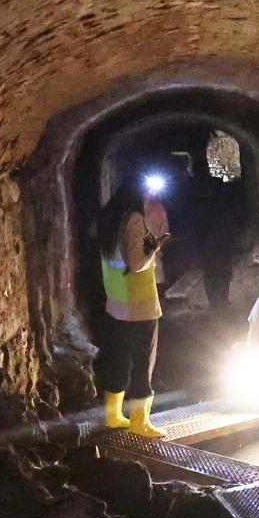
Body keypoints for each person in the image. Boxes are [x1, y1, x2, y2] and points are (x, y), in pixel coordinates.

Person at [96, 182, 169, 437]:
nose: (148, 197)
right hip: (140, 305)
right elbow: (136, 262)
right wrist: (154, 247)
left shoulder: (108, 217)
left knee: (118, 359)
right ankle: (140, 422)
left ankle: (113, 415)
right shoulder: (134, 218)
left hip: (115, 302)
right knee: (142, 363)